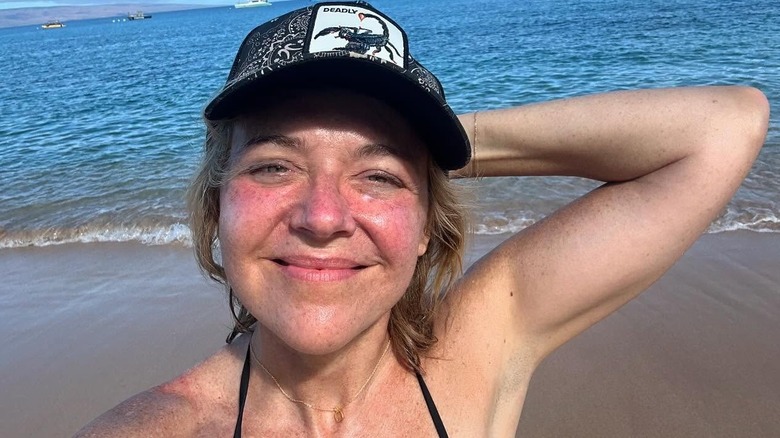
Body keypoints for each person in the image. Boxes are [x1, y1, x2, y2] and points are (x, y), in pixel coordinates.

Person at [75, 2, 768, 437]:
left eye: (379, 178)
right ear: (215, 206)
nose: (323, 216)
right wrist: (399, 158)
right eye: (273, 166)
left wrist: (445, 148)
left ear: (429, 221)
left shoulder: (477, 350)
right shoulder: (162, 427)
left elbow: (725, 127)